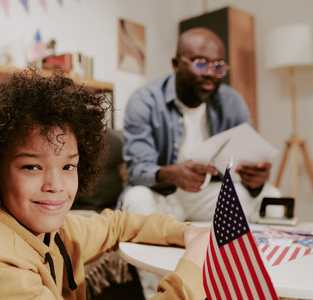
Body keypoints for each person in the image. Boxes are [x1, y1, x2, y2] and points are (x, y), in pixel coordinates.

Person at [0, 69, 209, 299]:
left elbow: (115, 225)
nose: (56, 185)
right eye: (32, 167)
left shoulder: (47, 228)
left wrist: (189, 232)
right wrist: (194, 264)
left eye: (68, 166)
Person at [120, 27, 280, 223]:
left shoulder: (232, 101)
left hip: (208, 195)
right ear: (176, 64)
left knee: (271, 195)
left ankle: (251, 253)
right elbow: (137, 170)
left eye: (219, 66)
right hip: (165, 195)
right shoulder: (144, 101)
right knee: (137, 199)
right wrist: (172, 174)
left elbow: (249, 161)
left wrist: (256, 179)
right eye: (201, 64)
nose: (211, 74)